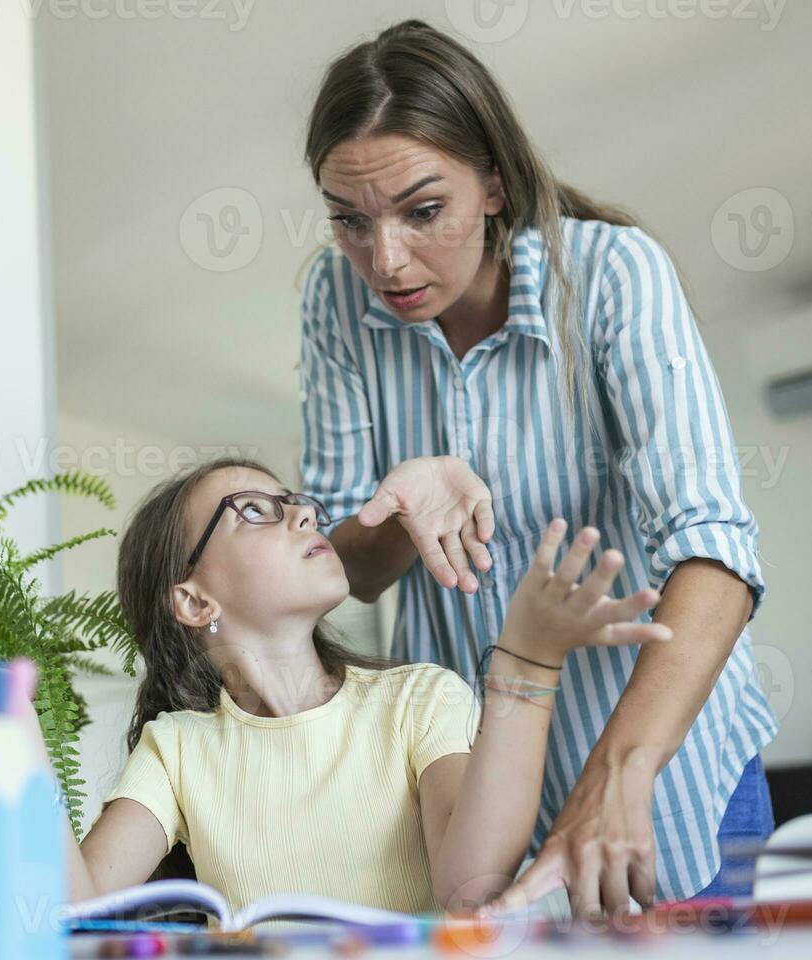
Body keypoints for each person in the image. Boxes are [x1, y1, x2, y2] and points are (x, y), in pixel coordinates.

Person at [298, 20, 777, 913]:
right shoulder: (333, 301)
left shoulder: (610, 275)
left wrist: (619, 773)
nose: (385, 260)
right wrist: (398, 507)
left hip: (660, 774)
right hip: (474, 799)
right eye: (350, 221)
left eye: (422, 209)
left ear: (492, 180)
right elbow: (343, 571)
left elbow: (715, 551)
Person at [0, 457, 670, 914]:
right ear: (195, 600)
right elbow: (77, 904)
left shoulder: (419, 701)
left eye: (294, 502)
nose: (306, 515)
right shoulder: (179, 750)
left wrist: (527, 665)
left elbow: (473, 889)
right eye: (254, 511)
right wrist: (10, 720)